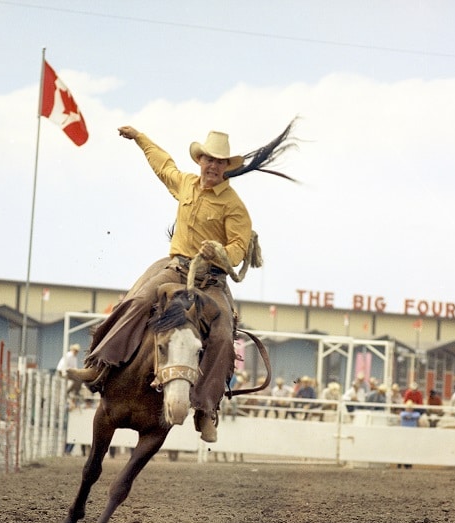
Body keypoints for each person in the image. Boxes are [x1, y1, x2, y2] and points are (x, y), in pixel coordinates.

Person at [80, 122, 297, 443]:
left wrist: (221, 251)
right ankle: (100, 365)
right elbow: (162, 164)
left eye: (219, 161)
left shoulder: (234, 205)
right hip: (176, 270)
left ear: (226, 167)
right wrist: (140, 137)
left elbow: (239, 248)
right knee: (137, 302)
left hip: (211, 282)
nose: (212, 165)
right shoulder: (185, 184)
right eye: (208, 159)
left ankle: (206, 409)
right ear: (201, 161)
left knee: (223, 336)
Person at [398, 400, 421, 469]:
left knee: (410, 448)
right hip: (405, 433)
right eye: (408, 408)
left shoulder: (415, 414)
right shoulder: (403, 413)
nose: (409, 409)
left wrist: (409, 416)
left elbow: (416, 415)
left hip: (411, 433)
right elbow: (403, 415)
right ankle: (401, 462)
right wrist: (411, 416)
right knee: (403, 448)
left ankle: (407, 463)